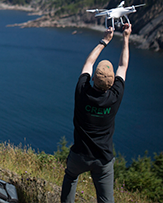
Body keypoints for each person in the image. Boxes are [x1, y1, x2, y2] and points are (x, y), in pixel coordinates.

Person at [61, 24, 132, 203]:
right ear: (112, 82)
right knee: (106, 199)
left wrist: (105, 41)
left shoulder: (82, 92)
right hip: (103, 159)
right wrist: (126, 37)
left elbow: (88, 63)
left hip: (79, 155)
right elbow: (123, 66)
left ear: (93, 78)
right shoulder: (115, 97)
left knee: (70, 177)